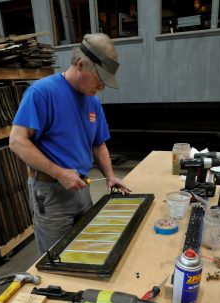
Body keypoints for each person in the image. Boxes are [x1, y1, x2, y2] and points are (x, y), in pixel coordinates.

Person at [9, 33, 131, 257]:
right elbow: (17, 141)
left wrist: (111, 175)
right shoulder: (42, 93)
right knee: (56, 259)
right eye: (100, 80)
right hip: (51, 193)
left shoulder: (92, 101)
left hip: (82, 188)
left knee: (84, 250)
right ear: (81, 64)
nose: (102, 87)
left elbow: (99, 144)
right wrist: (59, 173)